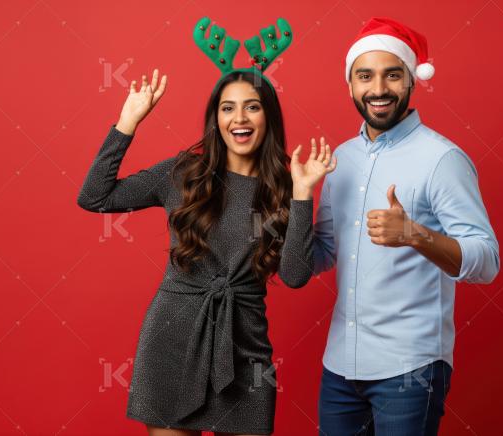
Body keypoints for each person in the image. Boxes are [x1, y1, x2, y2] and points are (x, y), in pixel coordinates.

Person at [77, 16, 336, 436]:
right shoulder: (184, 173)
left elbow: (294, 276)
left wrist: (303, 193)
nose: (239, 118)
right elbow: (94, 197)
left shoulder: (286, 185)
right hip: (172, 338)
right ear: (215, 118)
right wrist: (127, 122)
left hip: (245, 349)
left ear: (268, 116)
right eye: (227, 107)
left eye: (252, 106)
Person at [314, 17, 501, 435]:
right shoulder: (340, 159)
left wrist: (414, 234)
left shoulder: (442, 159)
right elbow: (322, 253)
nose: (378, 89)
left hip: (410, 369)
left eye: (392, 75)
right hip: (340, 366)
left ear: (412, 80)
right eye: (365, 76)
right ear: (350, 85)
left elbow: (487, 261)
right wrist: (279, 211)